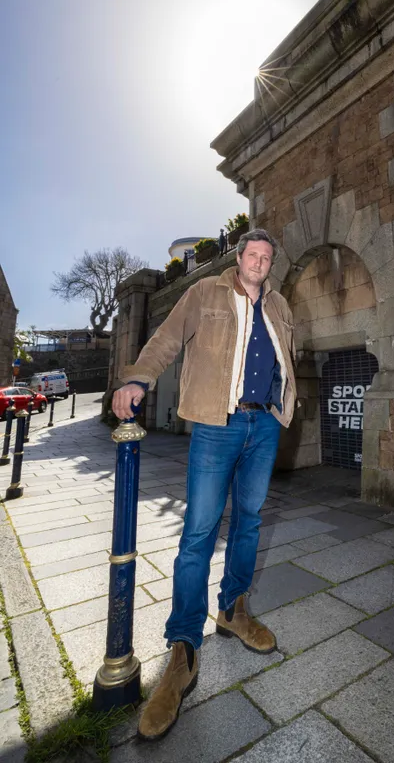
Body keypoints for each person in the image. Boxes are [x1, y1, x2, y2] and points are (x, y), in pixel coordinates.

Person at [112, 229, 296, 741]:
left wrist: (285, 406)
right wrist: (138, 377)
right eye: (252, 254)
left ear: (271, 264)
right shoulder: (205, 292)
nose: (259, 262)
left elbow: (286, 359)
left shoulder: (280, 305)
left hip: (265, 424)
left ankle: (233, 609)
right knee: (199, 532)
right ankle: (183, 648)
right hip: (218, 424)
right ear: (239, 258)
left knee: (250, 521)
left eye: (266, 257)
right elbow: (168, 337)